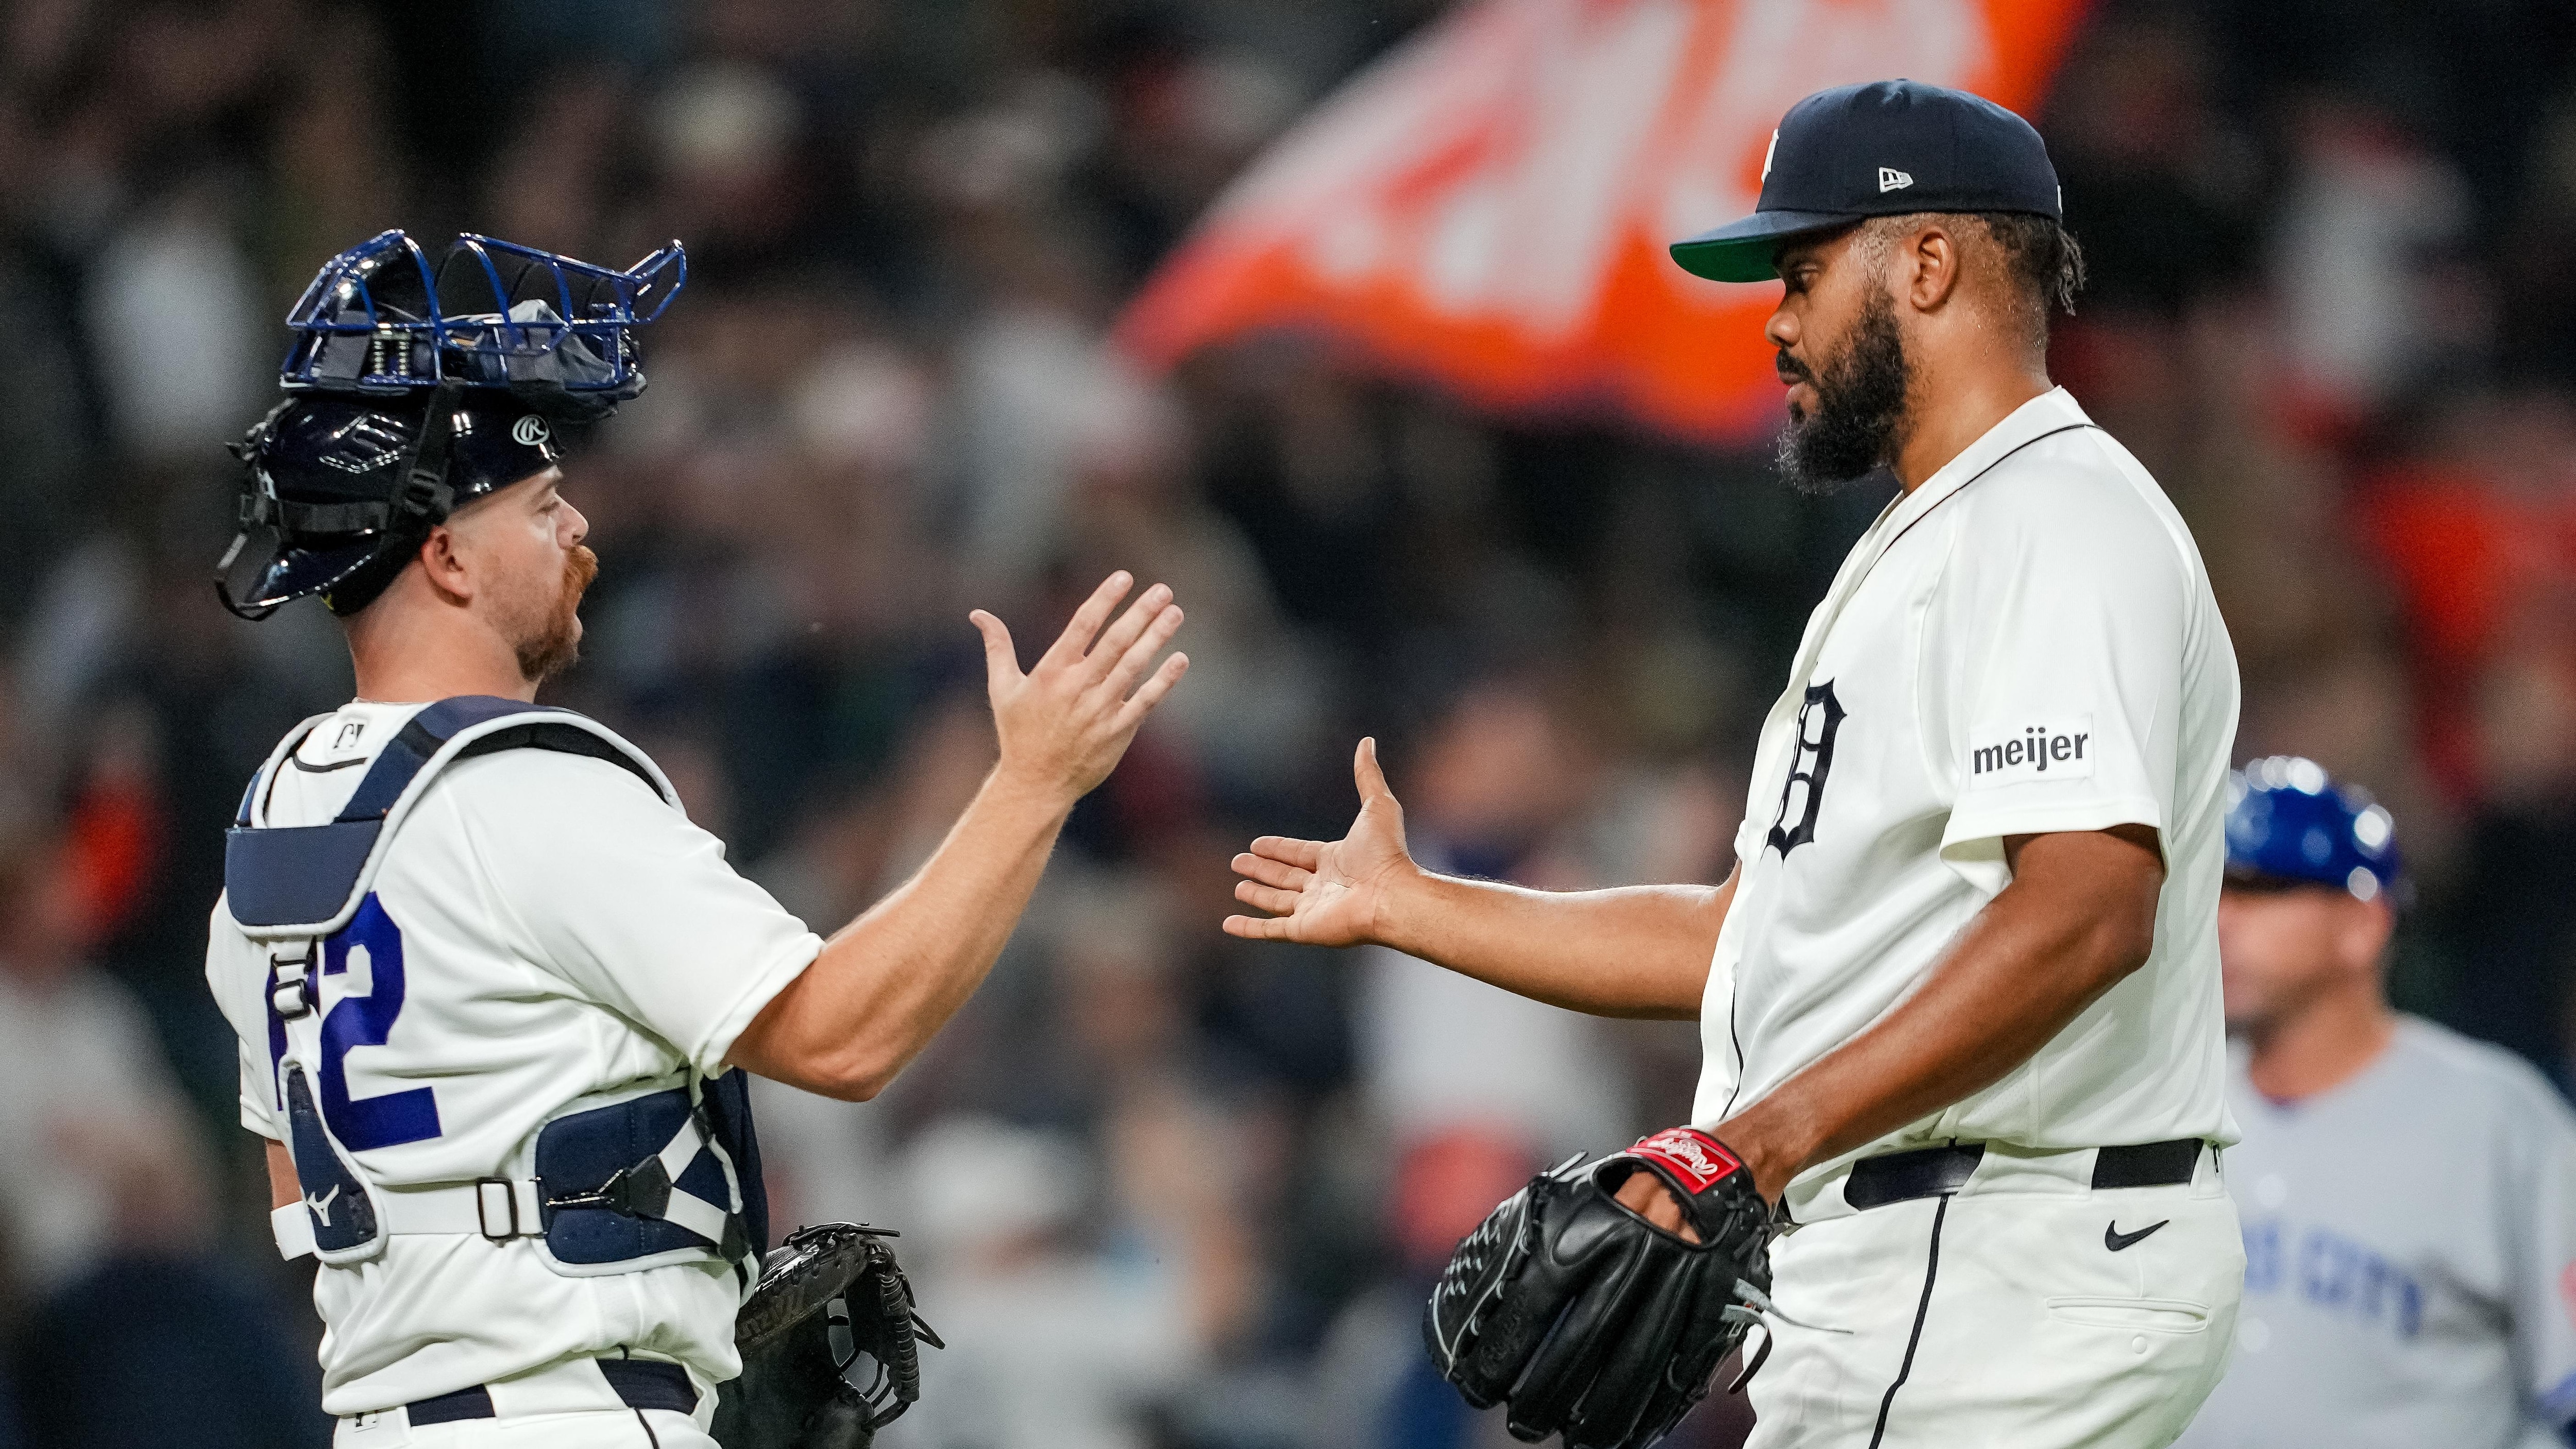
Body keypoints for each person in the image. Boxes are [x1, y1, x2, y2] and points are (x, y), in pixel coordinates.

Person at [1227, 79, 2244, 1446]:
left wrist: (1751, 1143)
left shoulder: (2050, 521)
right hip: (1941, 1259)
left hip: (1997, 1250)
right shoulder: (1933, 543)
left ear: (1928, 263)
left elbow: (2086, 906)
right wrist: (1419, 904)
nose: (1775, 317)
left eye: (1807, 270)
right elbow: (1755, 940)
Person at [199, 230, 1188, 1447]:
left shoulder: (279, 811)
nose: (580, 536)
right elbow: (844, 1034)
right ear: (445, 554)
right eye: (543, 505)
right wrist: (1034, 784)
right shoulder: (529, 792)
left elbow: (300, 1184)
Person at [2175, 758, 2576, 1449]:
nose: (2220, 920)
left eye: (2260, 888)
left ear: (2362, 924)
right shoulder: (2164, 1110)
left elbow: (2563, 1398)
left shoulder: (2501, 1121)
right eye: (2209, 888)